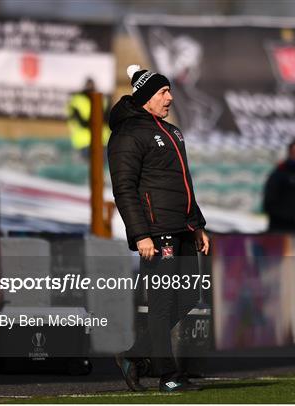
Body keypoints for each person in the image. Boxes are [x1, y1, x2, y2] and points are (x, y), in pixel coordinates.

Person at [107, 64, 209, 393]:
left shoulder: (173, 131)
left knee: (191, 294)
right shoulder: (128, 134)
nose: (170, 97)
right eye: (163, 92)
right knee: (163, 303)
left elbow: (183, 185)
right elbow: (123, 189)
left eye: (168, 91)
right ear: (147, 97)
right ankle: (168, 376)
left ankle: (135, 355)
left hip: (182, 228)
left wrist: (197, 225)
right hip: (156, 231)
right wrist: (141, 235)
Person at [263, 137, 295, 232]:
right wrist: (294, 216)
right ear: (289, 154)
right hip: (280, 232)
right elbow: (268, 205)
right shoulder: (278, 175)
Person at [67, 77, 110, 161]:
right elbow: (82, 123)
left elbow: (108, 119)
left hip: (102, 142)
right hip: (84, 143)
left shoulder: (102, 99)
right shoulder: (76, 101)